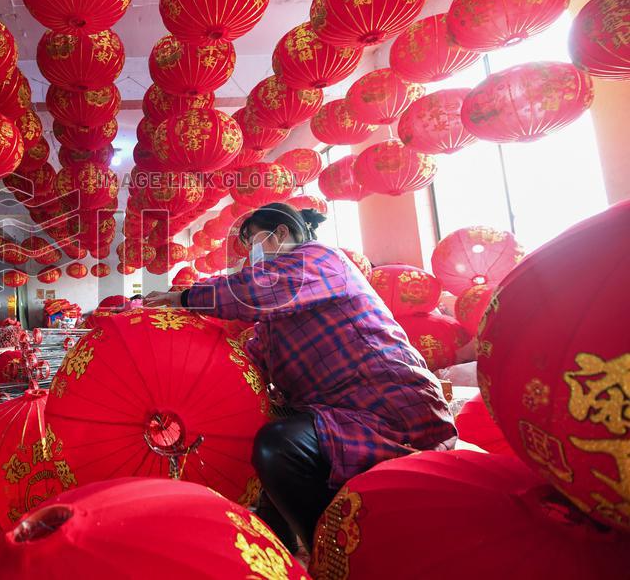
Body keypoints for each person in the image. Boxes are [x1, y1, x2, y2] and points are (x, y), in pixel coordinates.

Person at [144, 203, 456, 552]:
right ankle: (277, 553)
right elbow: (246, 367)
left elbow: (256, 291)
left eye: (254, 242)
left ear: (280, 233)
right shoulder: (273, 323)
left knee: (278, 444)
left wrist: (185, 298)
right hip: (337, 414)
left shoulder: (320, 260)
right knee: (254, 437)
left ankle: (334, 556)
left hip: (388, 408)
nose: (251, 256)